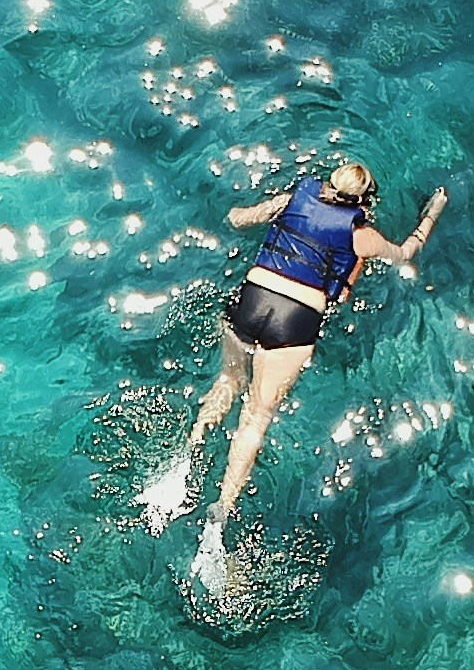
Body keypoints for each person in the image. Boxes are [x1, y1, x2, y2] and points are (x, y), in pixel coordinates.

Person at [141, 158, 446, 596]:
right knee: (257, 417)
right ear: (362, 200)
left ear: (327, 187)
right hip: (293, 320)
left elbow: (238, 218)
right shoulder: (362, 235)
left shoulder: (295, 200)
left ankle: (184, 461)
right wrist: (432, 212)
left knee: (226, 384)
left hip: (252, 299)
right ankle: (218, 516)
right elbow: (407, 252)